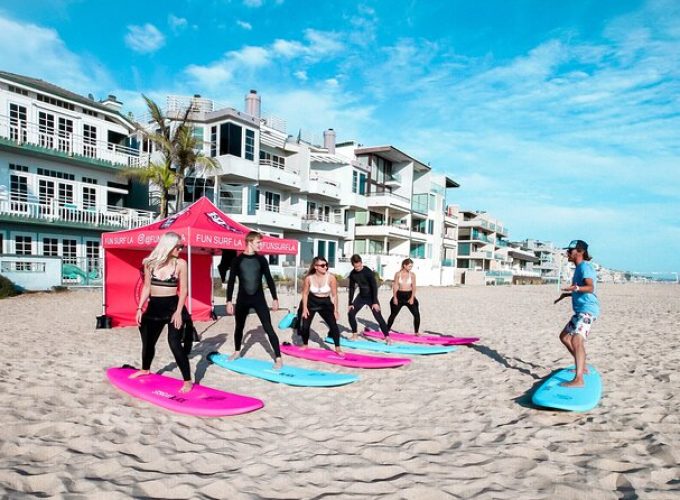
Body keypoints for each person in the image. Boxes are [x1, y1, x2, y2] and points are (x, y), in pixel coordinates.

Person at [132, 232, 192, 393]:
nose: (180, 249)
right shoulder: (150, 263)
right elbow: (146, 287)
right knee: (148, 342)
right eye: (178, 246)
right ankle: (145, 369)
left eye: (182, 246)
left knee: (174, 343)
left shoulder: (181, 264)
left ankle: (187, 380)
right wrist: (139, 308)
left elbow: (184, 290)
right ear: (169, 245)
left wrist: (179, 311)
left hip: (173, 308)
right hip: (154, 309)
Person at [226, 231, 283, 369]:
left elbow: (269, 279)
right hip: (242, 299)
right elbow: (231, 281)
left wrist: (275, 298)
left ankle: (278, 358)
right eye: (258, 242)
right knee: (239, 327)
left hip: (259, 299)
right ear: (250, 242)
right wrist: (228, 301)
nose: (261, 245)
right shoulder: (237, 260)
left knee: (268, 327)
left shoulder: (261, 260)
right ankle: (237, 351)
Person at [554, 239, 600, 388]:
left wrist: (575, 289)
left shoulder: (585, 267)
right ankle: (582, 366)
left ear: (580, 252)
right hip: (580, 310)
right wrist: (567, 295)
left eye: (571, 250)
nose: (568, 252)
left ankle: (579, 379)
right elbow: (579, 289)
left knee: (576, 340)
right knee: (564, 337)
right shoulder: (578, 269)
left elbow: (590, 287)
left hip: (587, 310)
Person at [299, 256, 342, 353]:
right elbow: (305, 294)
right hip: (311, 302)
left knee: (333, 326)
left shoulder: (331, 278)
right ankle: (305, 344)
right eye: (322, 265)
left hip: (325, 303)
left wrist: (336, 310)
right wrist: (304, 308)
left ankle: (338, 348)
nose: (325, 267)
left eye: (326, 265)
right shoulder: (309, 278)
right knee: (305, 326)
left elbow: (335, 295)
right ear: (315, 267)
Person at [347, 254, 391, 344]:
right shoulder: (352, 274)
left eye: (359, 265)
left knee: (378, 317)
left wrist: (375, 302)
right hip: (361, 297)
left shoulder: (368, 272)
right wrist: (350, 302)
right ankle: (355, 334)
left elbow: (374, 286)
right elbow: (351, 288)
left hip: (371, 297)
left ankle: (387, 337)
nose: (358, 268)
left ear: (361, 263)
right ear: (353, 265)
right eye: (356, 267)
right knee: (351, 313)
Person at [386, 258, 421, 334]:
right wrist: (395, 297)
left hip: (409, 295)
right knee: (393, 315)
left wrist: (412, 298)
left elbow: (414, 286)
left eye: (411, 266)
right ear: (404, 265)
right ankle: (387, 330)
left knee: (416, 314)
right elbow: (395, 286)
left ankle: (416, 332)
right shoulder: (398, 274)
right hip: (399, 296)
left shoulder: (412, 275)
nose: (410, 268)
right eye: (409, 266)